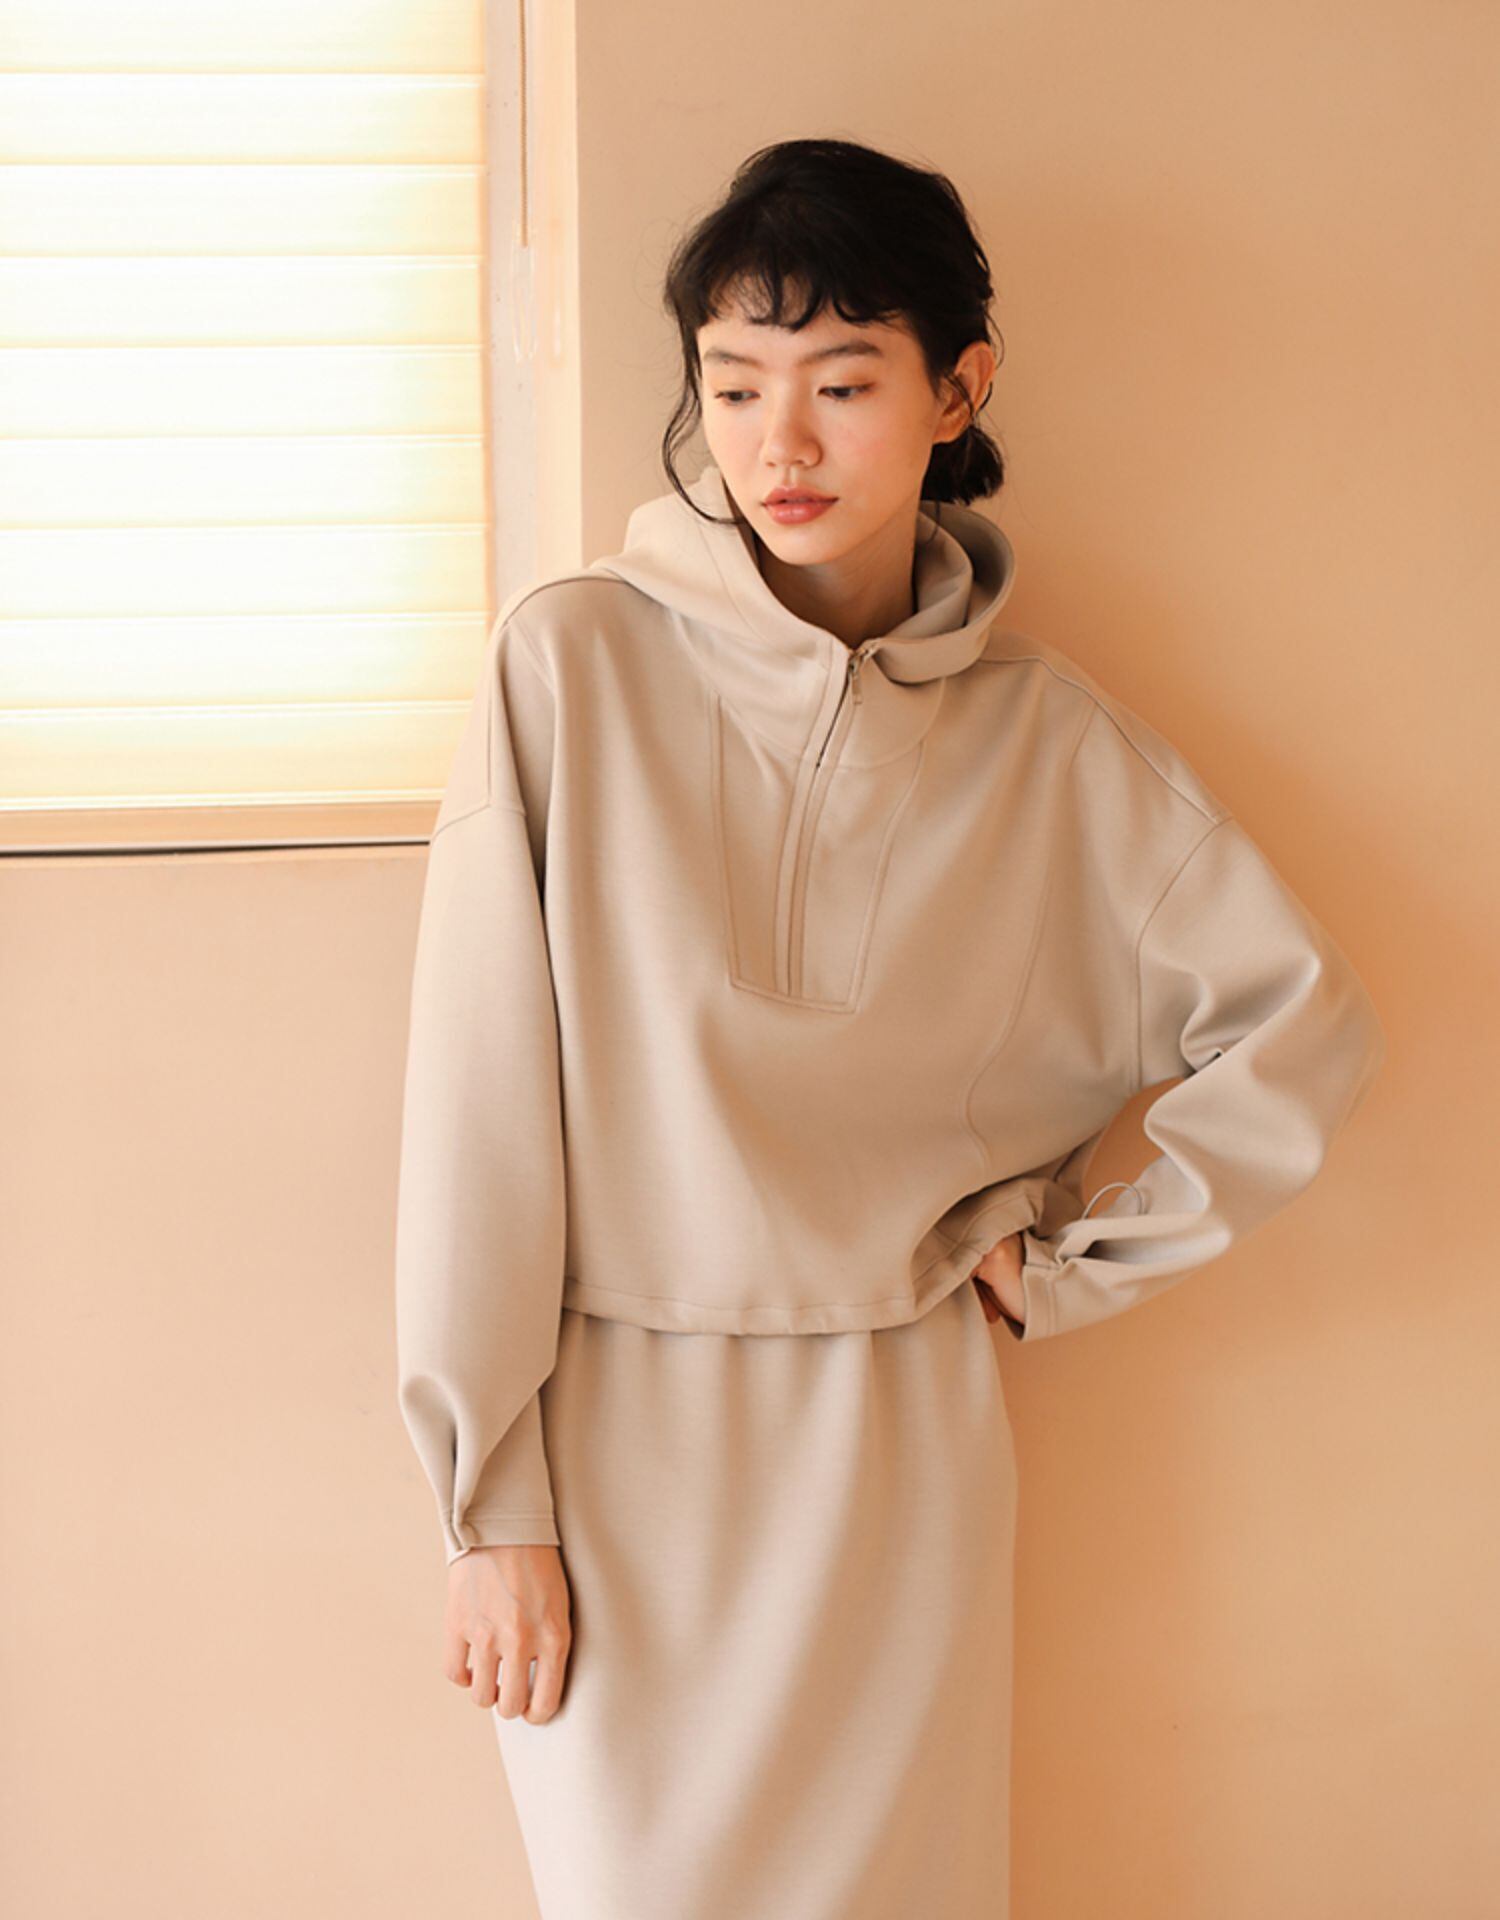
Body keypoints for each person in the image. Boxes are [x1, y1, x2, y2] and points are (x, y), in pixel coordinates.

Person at [393, 137, 1386, 1920]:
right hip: (612, 1444)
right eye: (734, 385)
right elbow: (477, 1117)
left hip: (893, 1447)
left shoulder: (1046, 741)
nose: (779, 442)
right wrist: (491, 1505)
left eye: (842, 385)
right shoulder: (569, 665)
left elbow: (1300, 1020)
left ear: (957, 391)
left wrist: (1076, 1263)